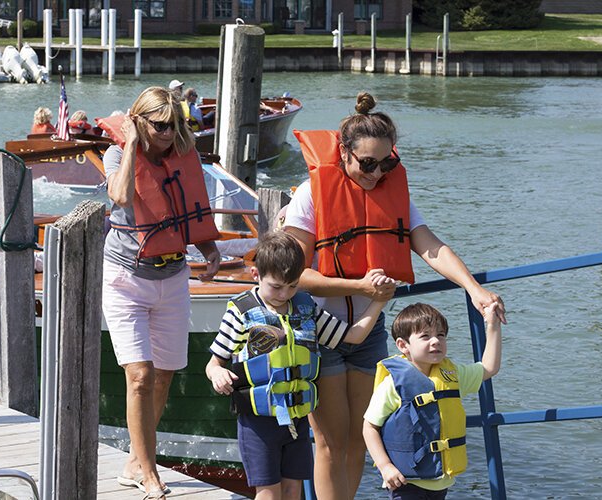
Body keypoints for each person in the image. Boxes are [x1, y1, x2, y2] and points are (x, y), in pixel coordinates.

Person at [282, 91, 507, 499]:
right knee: (330, 441)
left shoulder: (393, 194)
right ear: (344, 154)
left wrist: (474, 289)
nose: (375, 173)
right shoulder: (311, 195)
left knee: (356, 440)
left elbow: (430, 246)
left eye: (386, 163)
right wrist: (361, 288)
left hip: (369, 330)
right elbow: (293, 275)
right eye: (366, 163)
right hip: (321, 330)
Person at [98, 86, 222, 500]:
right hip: (126, 279)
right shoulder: (117, 155)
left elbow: (190, 209)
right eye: (160, 125)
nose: (169, 133)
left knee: (165, 375)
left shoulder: (182, 159)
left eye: (176, 125)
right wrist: (133, 142)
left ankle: (135, 460)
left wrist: (210, 248)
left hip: (172, 277)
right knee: (140, 376)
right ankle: (149, 473)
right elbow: (119, 195)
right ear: (140, 120)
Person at [205, 231, 392, 500]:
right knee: (268, 493)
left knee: (293, 491)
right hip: (258, 422)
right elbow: (214, 362)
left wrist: (379, 300)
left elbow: (353, 336)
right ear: (256, 274)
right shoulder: (241, 311)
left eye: (292, 286)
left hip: (296, 420)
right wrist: (218, 374)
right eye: (276, 286)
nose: (285, 294)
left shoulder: (306, 308)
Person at [363, 302, 503, 499]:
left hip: (440, 482)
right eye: (425, 336)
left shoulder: (453, 375)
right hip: (405, 481)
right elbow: (369, 427)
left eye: (441, 335)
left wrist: (492, 325)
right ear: (403, 346)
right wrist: (385, 466)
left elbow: (489, 368)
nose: (436, 341)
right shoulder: (393, 383)